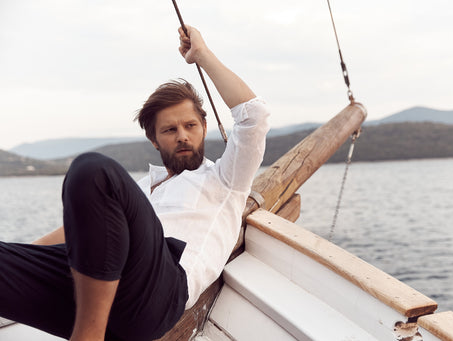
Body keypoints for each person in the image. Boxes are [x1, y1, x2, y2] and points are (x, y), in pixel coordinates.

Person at [0, 25, 269, 341]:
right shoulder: (142, 189)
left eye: (190, 125)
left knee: (91, 170)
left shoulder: (225, 179)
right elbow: (73, 232)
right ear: (153, 139)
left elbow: (254, 117)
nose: (182, 135)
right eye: (170, 130)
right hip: (94, 291)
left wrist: (203, 55)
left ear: (204, 127)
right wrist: (23, 258)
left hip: (154, 296)